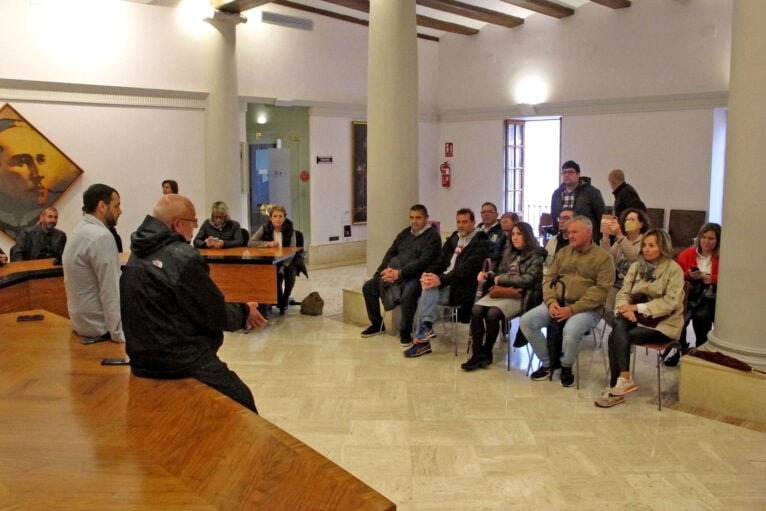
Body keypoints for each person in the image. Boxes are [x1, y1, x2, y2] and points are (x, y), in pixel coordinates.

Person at [120, 194, 267, 413]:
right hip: (180, 359)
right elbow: (214, 313)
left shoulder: (138, 252)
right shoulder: (182, 256)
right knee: (242, 403)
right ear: (177, 224)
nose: (196, 227)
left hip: (142, 359)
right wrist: (245, 311)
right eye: (193, 222)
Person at [520, 216, 614, 387]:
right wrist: (550, 301)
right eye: (569, 232)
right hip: (557, 302)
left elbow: (601, 291)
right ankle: (548, 363)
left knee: (571, 330)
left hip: (587, 309)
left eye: (574, 232)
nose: (569, 235)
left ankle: (566, 367)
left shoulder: (603, 258)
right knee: (527, 321)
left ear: (588, 232)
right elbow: (549, 278)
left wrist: (573, 310)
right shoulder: (563, 253)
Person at [596, 229, 684, 407]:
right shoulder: (636, 266)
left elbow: (670, 302)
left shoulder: (674, 269)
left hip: (662, 324)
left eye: (652, 245)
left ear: (663, 247)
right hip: (635, 317)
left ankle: (618, 386)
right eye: (644, 245)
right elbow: (623, 292)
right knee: (619, 325)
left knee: (616, 336)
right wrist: (624, 308)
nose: (646, 249)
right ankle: (622, 381)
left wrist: (636, 308)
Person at [404, 208, 490, 357]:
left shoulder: (481, 243)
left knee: (428, 290)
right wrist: (428, 274)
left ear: (473, 223)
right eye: (458, 222)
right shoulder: (454, 239)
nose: (461, 225)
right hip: (446, 284)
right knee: (428, 286)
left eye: (465, 222)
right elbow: (440, 261)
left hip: (463, 288)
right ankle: (426, 328)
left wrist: (439, 280)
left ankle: (422, 340)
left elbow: (465, 271)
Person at [463, 222, 544, 371]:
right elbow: (499, 273)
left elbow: (528, 280)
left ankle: (486, 353)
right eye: (513, 234)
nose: (515, 238)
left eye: (519, 234)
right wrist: (488, 275)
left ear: (527, 236)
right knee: (476, 310)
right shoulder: (509, 253)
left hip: (522, 295)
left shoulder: (536, 256)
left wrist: (502, 279)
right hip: (501, 291)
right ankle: (477, 353)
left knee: (493, 313)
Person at [360, 204, 442, 345]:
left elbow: (423, 262)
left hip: (417, 276)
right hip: (395, 272)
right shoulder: (405, 233)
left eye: (418, 218)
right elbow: (391, 252)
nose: (414, 221)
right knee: (369, 287)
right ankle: (377, 324)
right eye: (411, 218)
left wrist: (400, 273)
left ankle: (405, 331)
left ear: (426, 219)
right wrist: (382, 271)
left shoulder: (433, 237)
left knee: (408, 294)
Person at [62, 184, 125, 342]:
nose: (120, 211)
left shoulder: (77, 231)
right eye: (116, 206)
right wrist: (119, 335)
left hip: (81, 324)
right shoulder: (101, 236)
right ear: (102, 206)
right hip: (101, 329)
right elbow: (110, 289)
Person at [666, 222, 721, 366]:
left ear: (718, 241)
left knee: (701, 317)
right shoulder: (687, 254)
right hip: (689, 294)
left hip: (709, 296)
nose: (706, 241)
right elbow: (676, 276)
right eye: (704, 237)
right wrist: (689, 275)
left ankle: (700, 350)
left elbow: (728, 277)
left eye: (711, 238)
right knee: (678, 316)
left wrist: (711, 279)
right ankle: (680, 350)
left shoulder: (722, 258)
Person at [599, 208, 652, 326]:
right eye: (627, 219)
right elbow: (606, 259)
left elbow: (634, 257)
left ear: (641, 224)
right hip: (617, 282)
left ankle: (623, 333)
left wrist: (619, 235)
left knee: (622, 310)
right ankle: (621, 331)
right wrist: (605, 236)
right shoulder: (620, 242)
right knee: (604, 308)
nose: (628, 222)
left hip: (635, 285)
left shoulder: (645, 241)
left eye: (632, 220)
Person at [247, 205, 302, 314]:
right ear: (270, 218)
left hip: (288, 261)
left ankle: (285, 298)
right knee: (275, 278)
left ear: (284, 218)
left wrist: (283, 266)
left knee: (290, 274)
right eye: (275, 216)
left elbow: (292, 251)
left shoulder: (291, 230)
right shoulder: (265, 228)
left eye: (280, 216)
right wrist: (267, 244)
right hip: (272, 260)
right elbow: (251, 242)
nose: (277, 219)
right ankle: (277, 300)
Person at [550, 160, 605, 242]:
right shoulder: (557, 194)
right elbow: (554, 218)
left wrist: (600, 239)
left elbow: (601, 217)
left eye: (570, 172)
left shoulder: (591, 192)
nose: (567, 175)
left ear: (578, 174)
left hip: (585, 239)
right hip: (562, 239)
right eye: (564, 173)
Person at [543, 207, 574, 274]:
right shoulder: (553, 240)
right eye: (560, 218)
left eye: (566, 218)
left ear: (575, 221)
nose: (561, 221)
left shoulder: (577, 242)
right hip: (549, 277)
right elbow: (546, 264)